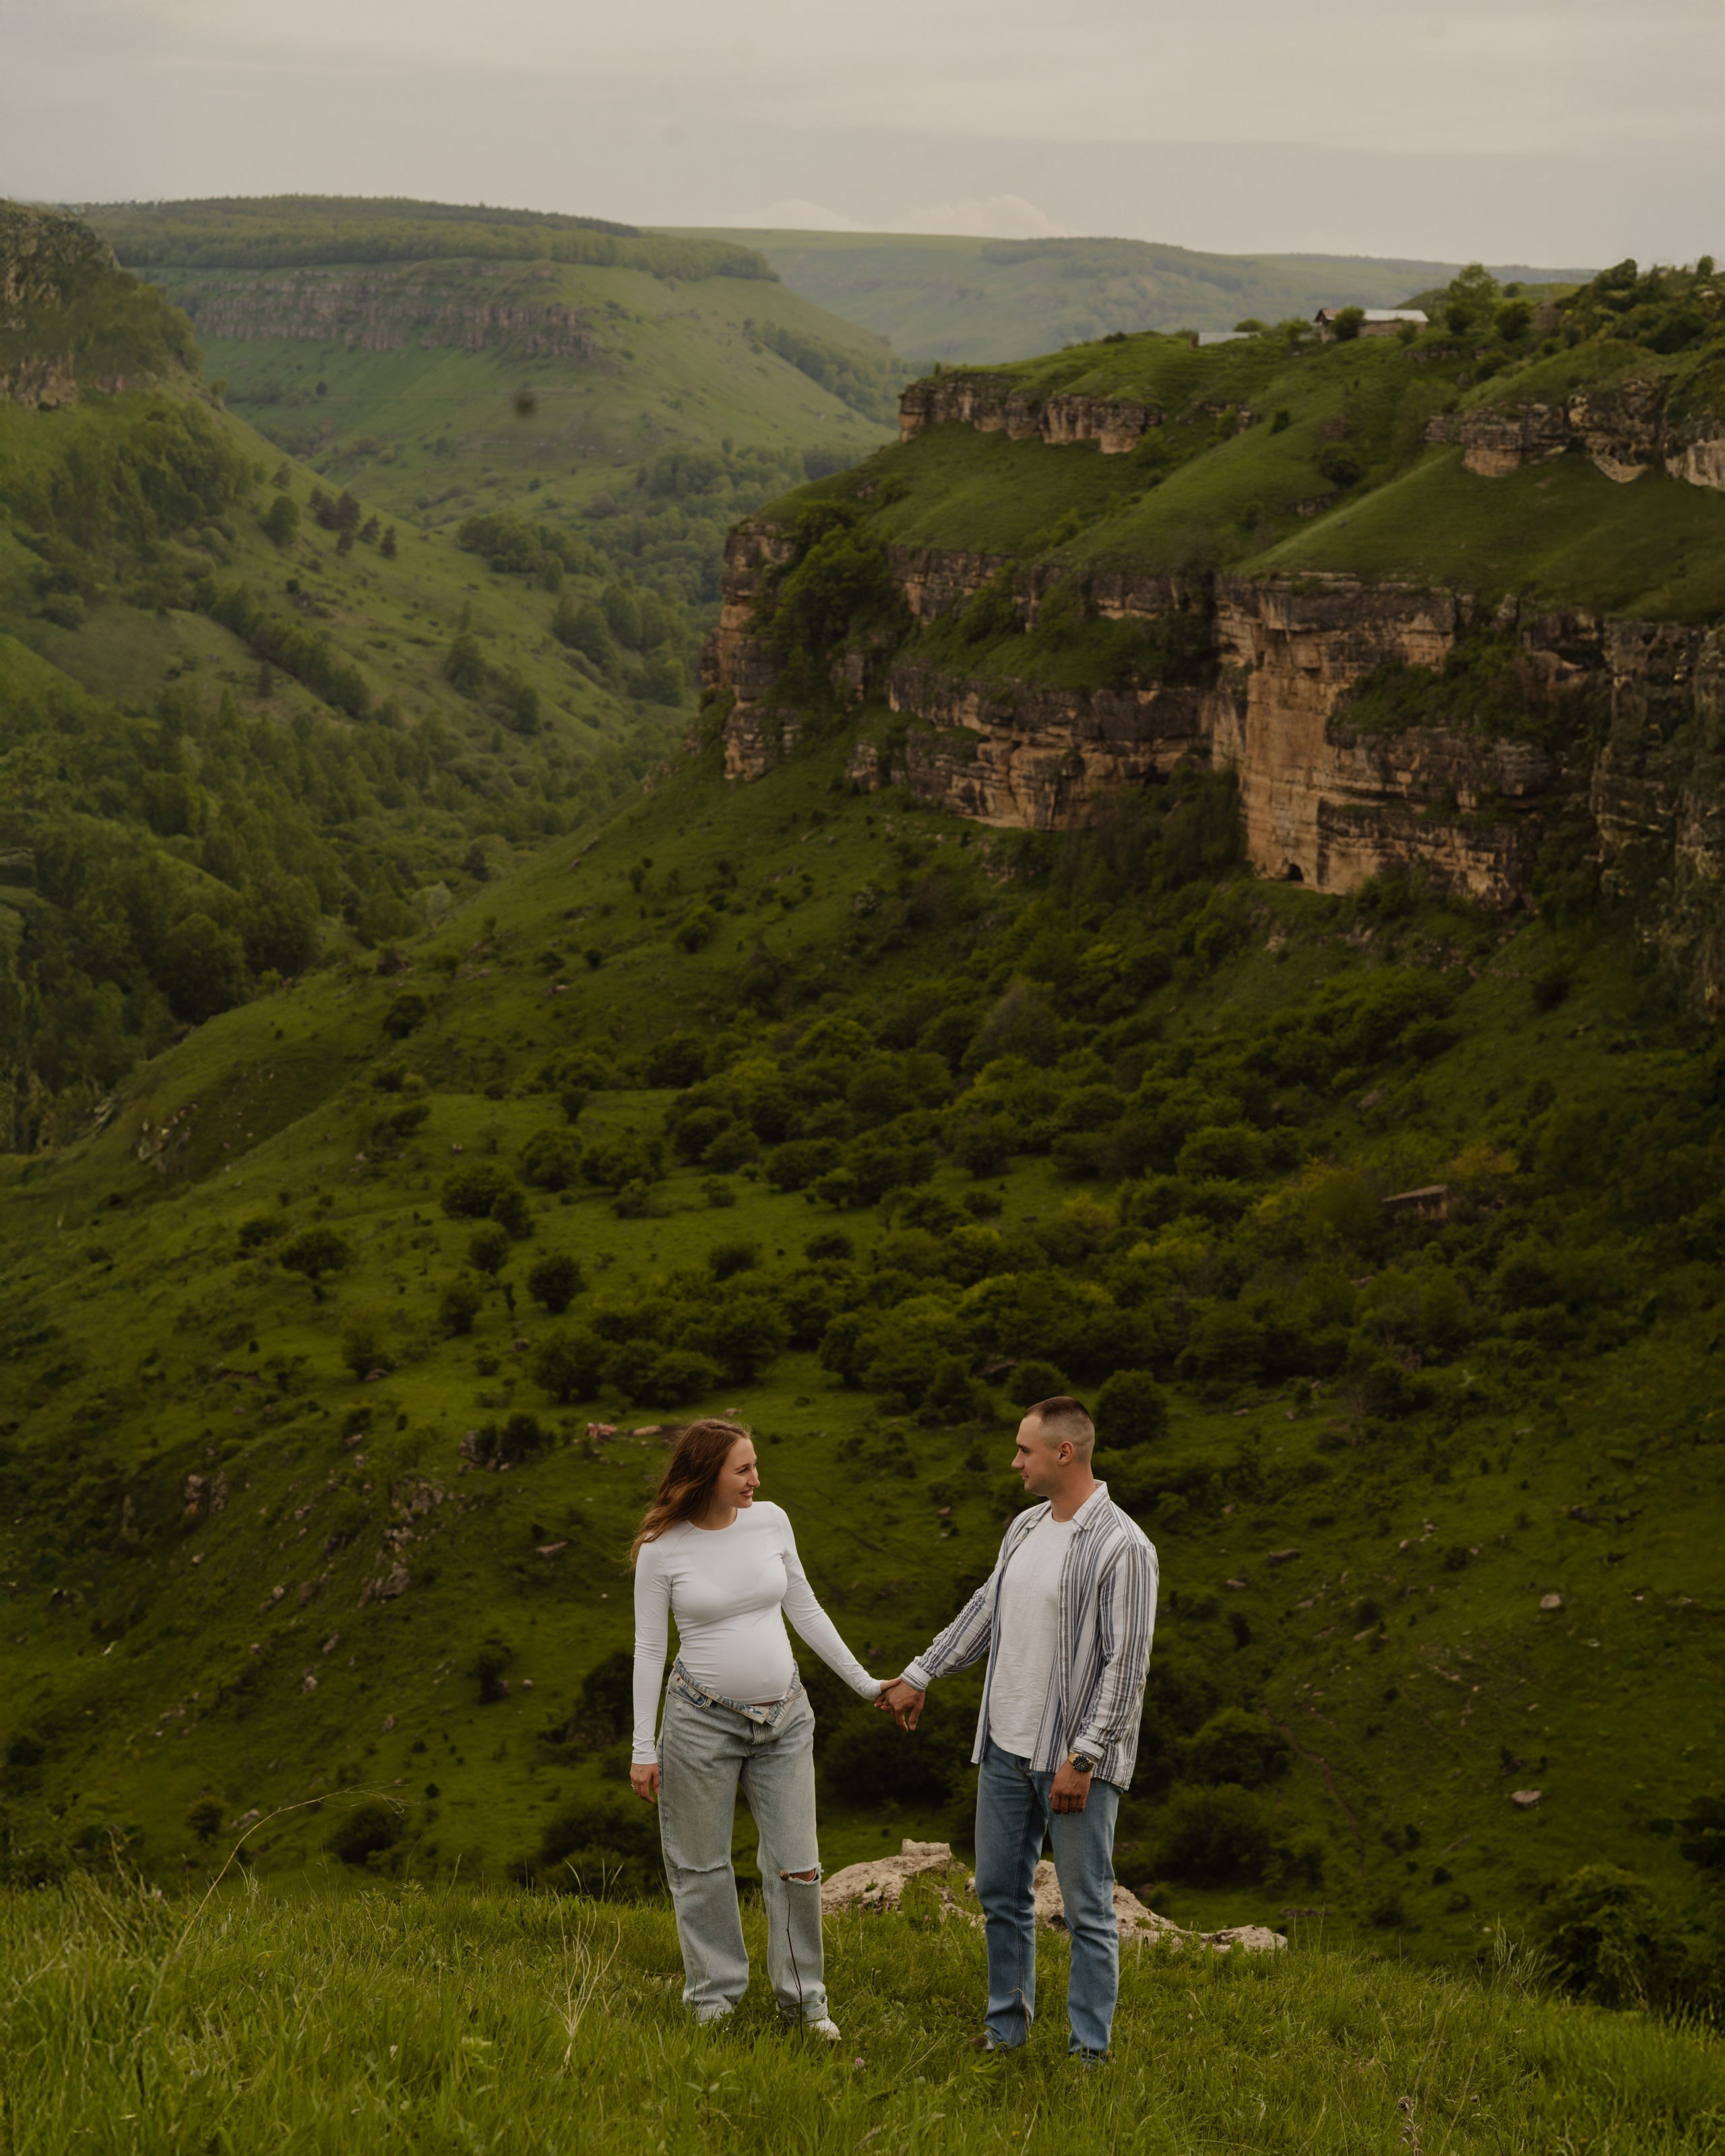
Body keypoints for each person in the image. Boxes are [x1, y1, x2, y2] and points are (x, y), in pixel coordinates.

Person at [877, 1396, 1156, 2064]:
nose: (1014, 1460)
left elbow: (1127, 1663)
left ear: (1064, 1452)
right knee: (1001, 1891)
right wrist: (921, 1671)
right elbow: (986, 1607)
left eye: (1024, 1449)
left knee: (1087, 1908)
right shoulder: (1025, 1526)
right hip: (1004, 1746)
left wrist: (1083, 1756)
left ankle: (1090, 2054)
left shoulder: (1124, 1545)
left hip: (1071, 1756)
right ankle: (1007, 2031)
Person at [629, 1417, 882, 2037]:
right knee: (701, 1866)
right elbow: (647, 1649)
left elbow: (805, 1605)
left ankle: (804, 2003)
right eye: (742, 1468)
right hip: (699, 1722)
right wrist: (642, 1747)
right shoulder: (663, 1549)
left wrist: (867, 1684)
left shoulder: (771, 1520)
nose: (756, 1479)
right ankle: (715, 2002)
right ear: (706, 1474)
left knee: (798, 1864)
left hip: (787, 1718)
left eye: (755, 1466)